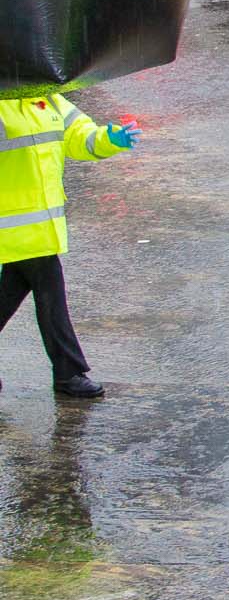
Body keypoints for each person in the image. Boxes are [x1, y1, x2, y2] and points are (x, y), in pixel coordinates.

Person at [0, 94, 140, 399]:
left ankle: (68, 373)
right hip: (12, 228)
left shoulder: (47, 99)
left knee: (12, 294)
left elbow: (82, 137)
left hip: (41, 228)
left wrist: (110, 138)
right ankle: (68, 373)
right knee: (51, 295)